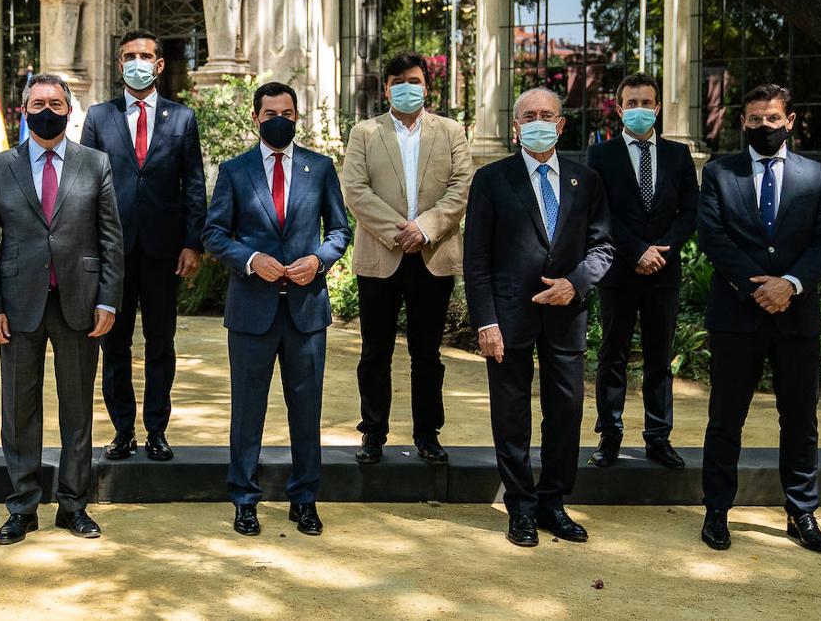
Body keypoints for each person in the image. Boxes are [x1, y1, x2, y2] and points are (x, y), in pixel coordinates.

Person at [0, 73, 124, 545]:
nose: (47, 111)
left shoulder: (95, 163)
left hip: (80, 303)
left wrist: (108, 298)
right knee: (19, 410)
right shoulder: (0, 167)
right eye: (37, 103)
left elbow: (111, 239)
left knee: (77, 410)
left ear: (69, 111)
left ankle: (73, 505)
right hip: (18, 307)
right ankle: (22, 507)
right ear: (24, 110)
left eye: (55, 104)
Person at [463, 87, 614, 548]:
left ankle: (552, 503)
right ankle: (521, 508)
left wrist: (575, 283)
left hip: (566, 316)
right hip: (508, 319)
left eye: (547, 114)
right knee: (511, 414)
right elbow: (476, 259)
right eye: (529, 115)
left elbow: (603, 247)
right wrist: (486, 322)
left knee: (566, 412)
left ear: (561, 124)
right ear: (516, 127)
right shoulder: (492, 179)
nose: (538, 122)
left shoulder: (586, 180)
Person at [203, 82, 350, 537]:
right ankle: (244, 500)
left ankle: (304, 499)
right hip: (252, 311)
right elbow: (214, 234)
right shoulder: (234, 170)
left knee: (306, 410)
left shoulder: (320, 168)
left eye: (287, 113)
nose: (279, 120)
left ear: (297, 116)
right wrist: (250, 259)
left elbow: (340, 231)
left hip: (307, 312)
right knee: (247, 411)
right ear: (256, 118)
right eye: (270, 114)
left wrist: (319, 260)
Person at [697, 84, 821, 554]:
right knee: (725, 418)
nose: (764, 126)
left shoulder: (816, 176)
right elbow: (712, 237)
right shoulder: (719, 173)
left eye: (773, 118)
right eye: (755, 119)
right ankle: (717, 510)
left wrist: (790, 284)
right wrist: (757, 286)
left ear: (789, 121)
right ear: (743, 122)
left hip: (797, 318)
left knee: (800, 419)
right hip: (736, 316)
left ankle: (801, 512)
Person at [340, 52, 473, 466]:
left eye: (414, 80)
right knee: (374, 353)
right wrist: (401, 231)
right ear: (386, 89)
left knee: (427, 354)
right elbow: (355, 190)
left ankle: (427, 434)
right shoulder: (365, 132)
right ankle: (373, 433)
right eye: (397, 82)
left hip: (433, 256)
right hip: (381, 256)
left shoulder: (450, 131)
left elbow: (461, 187)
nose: (406, 88)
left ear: (427, 87)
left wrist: (426, 228)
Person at [81, 29, 207, 461]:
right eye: (129, 55)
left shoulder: (181, 118)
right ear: (120, 64)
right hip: (112, 251)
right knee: (114, 344)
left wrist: (193, 243)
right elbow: (84, 184)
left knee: (160, 342)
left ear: (159, 64)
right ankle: (122, 430)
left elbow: (193, 184)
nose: (138, 62)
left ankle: (156, 429)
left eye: (146, 55)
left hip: (163, 250)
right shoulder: (99, 116)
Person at [585, 73, 698, 469]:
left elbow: (690, 210)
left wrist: (663, 250)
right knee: (612, 355)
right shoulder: (601, 156)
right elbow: (599, 212)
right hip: (619, 270)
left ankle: (658, 438)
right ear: (619, 110)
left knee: (659, 358)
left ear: (657, 107)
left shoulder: (678, 155)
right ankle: (610, 436)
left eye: (646, 103)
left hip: (663, 271)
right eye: (631, 103)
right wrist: (636, 251)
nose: (639, 109)